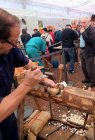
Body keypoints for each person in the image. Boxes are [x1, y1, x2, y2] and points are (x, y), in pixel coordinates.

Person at [0, 8, 56, 140]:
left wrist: (43, 78)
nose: (16, 45)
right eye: (13, 42)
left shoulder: (11, 49)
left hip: (7, 111)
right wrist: (26, 84)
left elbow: (27, 62)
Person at [80, 16, 95, 87]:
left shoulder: (92, 29)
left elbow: (91, 41)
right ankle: (87, 78)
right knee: (83, 66)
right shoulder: (82, 29)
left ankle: (92, 81)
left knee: (90, 67)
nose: (83, 24)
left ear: (88, 22)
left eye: (84, 22)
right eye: (82, 22)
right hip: (82, 50)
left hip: (89, 51)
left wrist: (83, 33)